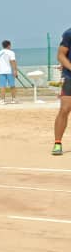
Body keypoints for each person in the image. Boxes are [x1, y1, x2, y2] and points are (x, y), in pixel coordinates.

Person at [53, 26, 71, 156]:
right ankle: (57, 143)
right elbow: (61, 55)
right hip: (70, 77)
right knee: (64, 109)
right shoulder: (69, 33)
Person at [0, 40, 18, 105]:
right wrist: (15, 70)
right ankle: (13, 99)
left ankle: (2, 100)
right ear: (9, 45)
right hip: (9, 71)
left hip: (1, 72)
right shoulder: (11, 52)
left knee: (2, 86)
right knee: (12, 86)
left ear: (3, 45)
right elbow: (13, 61)